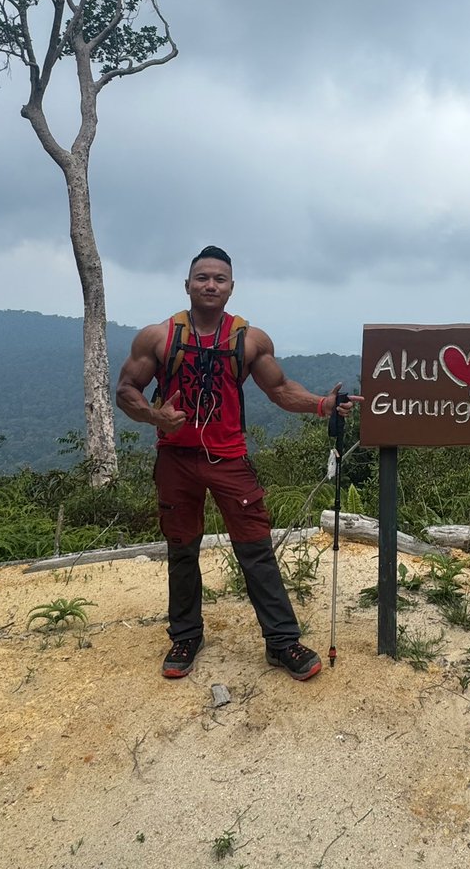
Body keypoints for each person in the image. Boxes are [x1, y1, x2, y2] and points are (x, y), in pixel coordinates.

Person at [116, 245, 359, 682]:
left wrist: (322, 404)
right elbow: (125, 390)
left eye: (219, 279)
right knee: (182, 547)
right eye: (202, 277)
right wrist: (155, 416)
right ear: (187, 284)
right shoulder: (158, 337)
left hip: (229, 458)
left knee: (256, 548)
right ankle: (186, 636)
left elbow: (280, 389)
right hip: (176, 457)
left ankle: (282, 641)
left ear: (231, 288)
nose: (210, 285)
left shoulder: (249, 340)